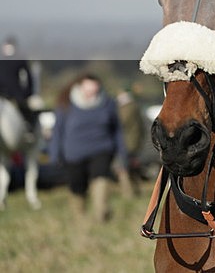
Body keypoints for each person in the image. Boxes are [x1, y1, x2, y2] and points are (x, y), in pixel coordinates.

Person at [49, 74, 127, 221]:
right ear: (80, 86)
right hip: (74, 153)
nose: (93, 89)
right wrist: (54, 155)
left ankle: (101, 213)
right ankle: (79, 216)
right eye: (89, 85)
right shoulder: (66, 104)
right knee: (77, 184)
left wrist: (122, 153)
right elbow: (57, 131)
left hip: (102, 148)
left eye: (95, 85)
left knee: (101, 176)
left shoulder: (108, 103)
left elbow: (117, 130)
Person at [0, 36, 37, 136]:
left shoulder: (19, 59)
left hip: (16, 93)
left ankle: (30, 129)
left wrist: (27, 92)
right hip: (2, 93)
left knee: (24, 111)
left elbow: (29, 76)